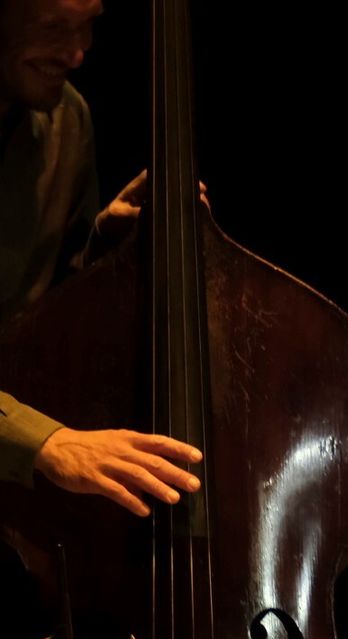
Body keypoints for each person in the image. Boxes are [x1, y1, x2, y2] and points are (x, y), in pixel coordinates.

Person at [1, 0, 201, 514]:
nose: (77, 52)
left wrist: (111, 248)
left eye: (89, 24)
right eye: (53, 26)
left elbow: (43, 317)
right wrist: (45, 443)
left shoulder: (68, 121)